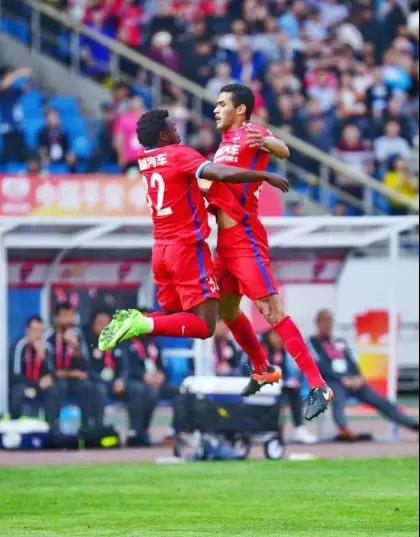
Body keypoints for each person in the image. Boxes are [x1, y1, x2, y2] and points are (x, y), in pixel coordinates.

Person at [98, 110, 289, 374]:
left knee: (174, 317)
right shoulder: (179, 154)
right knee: (204, 326)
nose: (177, 129)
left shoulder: (145, 158)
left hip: (161, 251)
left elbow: (182, 185)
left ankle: (132, 322)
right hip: (187, 250)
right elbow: (219, 173)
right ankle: (140, 322)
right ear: (163, 135)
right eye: (173, 126)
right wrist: (263, 176)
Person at [206, 84, 333, 420]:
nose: (216, 109)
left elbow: (283, 149)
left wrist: (269, 144)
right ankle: (262, 369)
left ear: (241, 109)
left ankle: (318, 385)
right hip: (224, 244)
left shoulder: (251, 132)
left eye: (222, 104)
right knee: (227, 310)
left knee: (271, 311)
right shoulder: (224, 143)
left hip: (245, 238)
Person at [309, 309, 419, 441]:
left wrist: (358, 377)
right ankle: (344, 429)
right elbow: (321, 365)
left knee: (380, 401)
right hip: (332, 380)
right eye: (324, 321)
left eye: (330, 321)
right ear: (317, 323)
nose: (327, 325)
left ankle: (413, 425)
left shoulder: (339, 341)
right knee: (337, 399)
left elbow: (351, 361)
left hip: (353, 380)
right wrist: (342, 379)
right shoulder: (313, 342)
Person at [86, 311, 156, 446]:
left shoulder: (120, 342)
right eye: (100, 324)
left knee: (140, 389)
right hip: (100, 384)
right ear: (93, 326)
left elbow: (125, 366)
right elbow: (89, 370)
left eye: (107, 324)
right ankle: (97, 432)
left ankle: (136, 432)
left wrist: (122, 380)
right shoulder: (89, 344)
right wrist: (110, 383)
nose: (104, 327)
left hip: (120, 384)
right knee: (98, 390)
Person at [261, 330, 317, 444]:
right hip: (261, 386)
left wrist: (288, 381)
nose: (279, 339)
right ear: (269, 335)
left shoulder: (282, 351)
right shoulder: (262, 349)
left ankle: (299, 428)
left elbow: (285, 372)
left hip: (278, 386)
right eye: (276, 335)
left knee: (294, 391)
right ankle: (267, 429)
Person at [8, 316, 61, 427]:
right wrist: (35, 386)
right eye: (34, 330)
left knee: (54, 390)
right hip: (24, 385)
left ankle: (51, 427)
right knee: (17, 391)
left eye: (41, 331)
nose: (38, 335)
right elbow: (15, 376)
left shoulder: (47, 348)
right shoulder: (19, 347)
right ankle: (14, 425)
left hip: (41, 387)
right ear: (27, 331)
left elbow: (53, 373)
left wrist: (43, 358)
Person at [46, 303, 91, 430]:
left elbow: (86, 366)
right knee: (57, 387)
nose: (69, 319)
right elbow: (48, 369)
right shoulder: (48, 338)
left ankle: (87, 427)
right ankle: (53, 427)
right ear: (56, 319)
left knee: (88, 387)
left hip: (75, 380)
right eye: (65, 315)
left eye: (72, 315)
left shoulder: (79, 336)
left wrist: (76, 346)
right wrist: (72, 374)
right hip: (56, 380)